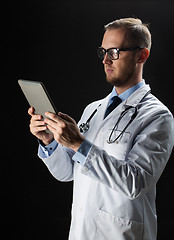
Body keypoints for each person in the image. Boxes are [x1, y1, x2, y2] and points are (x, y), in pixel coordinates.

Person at [28, 18, 174, 240]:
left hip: (122, 233)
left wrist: (78, 143)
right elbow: (68, 172)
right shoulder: (93, 109)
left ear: (141, 55)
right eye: (103, 51)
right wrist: (51, 141)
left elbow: (135, 182)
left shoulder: (157, 116)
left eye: (114, 51)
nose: (106, 60)